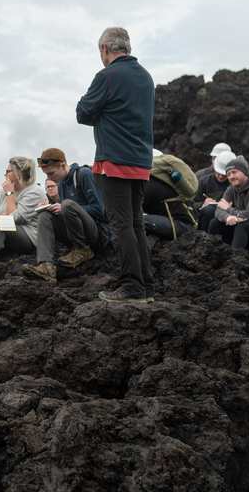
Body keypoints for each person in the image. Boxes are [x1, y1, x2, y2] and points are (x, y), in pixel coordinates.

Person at [76, 27, 154, 301]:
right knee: (135, 224)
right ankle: (146, 283)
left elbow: (83, 112)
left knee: (121, 225)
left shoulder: (107, 76)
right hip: (142, 161)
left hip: (115, 161)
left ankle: (132, 285)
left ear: (105, 49)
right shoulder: (146, 77)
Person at [23, 148, 108, 282]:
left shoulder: (84, 174)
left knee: (67, 204)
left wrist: (64, 207)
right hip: (74, 234)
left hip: (95, 234)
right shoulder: (61, 183)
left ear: (63, 165)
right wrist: (52, 208)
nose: (49, 178)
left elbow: (100, 210)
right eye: (46, 175)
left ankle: (82, 250)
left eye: (51, 173)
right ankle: (46, 265)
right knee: (44, 214)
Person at [0, 157, 47, 261]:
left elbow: (15, 218)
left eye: (8, 171)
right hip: (6, 234)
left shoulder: (34, 192)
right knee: (0, 223)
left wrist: (10, 194)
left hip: (29, 238)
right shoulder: (3, 191)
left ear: (19, 173)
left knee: (2, 223)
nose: (5, 174)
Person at [143, 150, 197, 240]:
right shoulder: (166, 180)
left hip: (181, 226)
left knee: (136, 220)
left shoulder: (152, 183)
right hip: (187, 223)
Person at [195, 150, 237, 232]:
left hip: (228, 222)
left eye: (224, 175)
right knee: (208, 210)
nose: (220, 176)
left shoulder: (236, 185)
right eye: (218, 173)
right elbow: (191, 204)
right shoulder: (204, 182)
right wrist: (202, 204)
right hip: (205, 222)